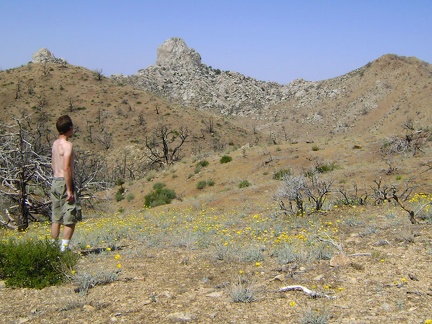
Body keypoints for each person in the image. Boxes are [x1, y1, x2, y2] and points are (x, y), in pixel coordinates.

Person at [50, 115, 81, 251]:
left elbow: (52, 164)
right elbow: (66, 168)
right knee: (70, 216)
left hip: (55, 181)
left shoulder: (55, 144)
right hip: (64, 182)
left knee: (56, 217)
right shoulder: (67, 145)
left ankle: (51, 247)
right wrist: (69, 190)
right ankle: (63, 250)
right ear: (69, 128)